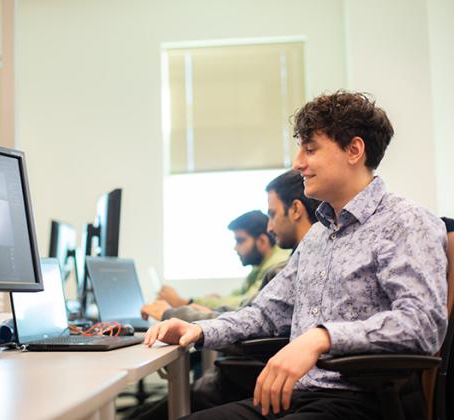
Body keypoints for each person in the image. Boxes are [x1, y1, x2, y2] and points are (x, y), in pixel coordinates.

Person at [144, 91, 448, 420]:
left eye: (310, 149)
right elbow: (264, 313)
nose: (297, 162)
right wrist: (201, 330)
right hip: (300, 395)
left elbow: (422, 325)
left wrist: (322, 337)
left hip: (366, 400)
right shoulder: (318, 234)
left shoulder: (407, 222)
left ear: (354, 150)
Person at [141, 170, 320, 324]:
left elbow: (249, 321)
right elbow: (249, 309)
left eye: (273, 215)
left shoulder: (286, 268)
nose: (270, 227)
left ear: (296, 209)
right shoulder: (298, 261)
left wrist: (174, 312)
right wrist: (198, 309)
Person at [146, 211, 290, 320]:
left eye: (240, 241)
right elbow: (238, 295)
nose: (235, 248)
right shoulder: (259, 267)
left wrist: (186, 302)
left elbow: (244, 303)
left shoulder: (277, 264)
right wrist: (213, 302)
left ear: (262, 241)